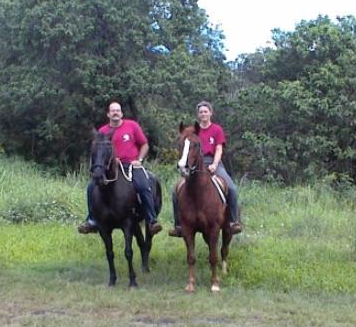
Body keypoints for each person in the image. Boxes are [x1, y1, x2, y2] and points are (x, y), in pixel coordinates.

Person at [78, 101, 162, 235]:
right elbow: (98, 151)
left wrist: (139, 160)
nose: (115, 112)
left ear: (121, 113)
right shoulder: (102, 131)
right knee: (91, 187)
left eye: (118, 110)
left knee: (144, 185)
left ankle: (151, 220)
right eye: (113, 111)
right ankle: (92, 220)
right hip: (110, 168)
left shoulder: (132, 126)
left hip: (131, 165)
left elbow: (145, 144)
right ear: (108, 114)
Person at [169, 100, 242, 237]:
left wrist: (215, 164)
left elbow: (219, 148)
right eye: (201, 112)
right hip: (194, 164)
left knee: (232, 188)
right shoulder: (193, 131)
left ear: (210, 113)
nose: (203, 114)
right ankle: (178, 225)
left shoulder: (217, 129)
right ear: (198, 114)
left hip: (213, 162)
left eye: (205, 111)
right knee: (175, 191)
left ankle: (233, 222)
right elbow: (186, 149)